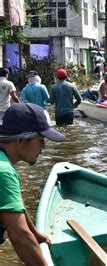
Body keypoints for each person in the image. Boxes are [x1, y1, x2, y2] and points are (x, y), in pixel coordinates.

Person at [0, 102, 65, 265]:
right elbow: (20, 237)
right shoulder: (4, 171)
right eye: (41, 140)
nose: (43, 147)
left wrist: (35, 233)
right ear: (21, 140)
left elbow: (16, 205)